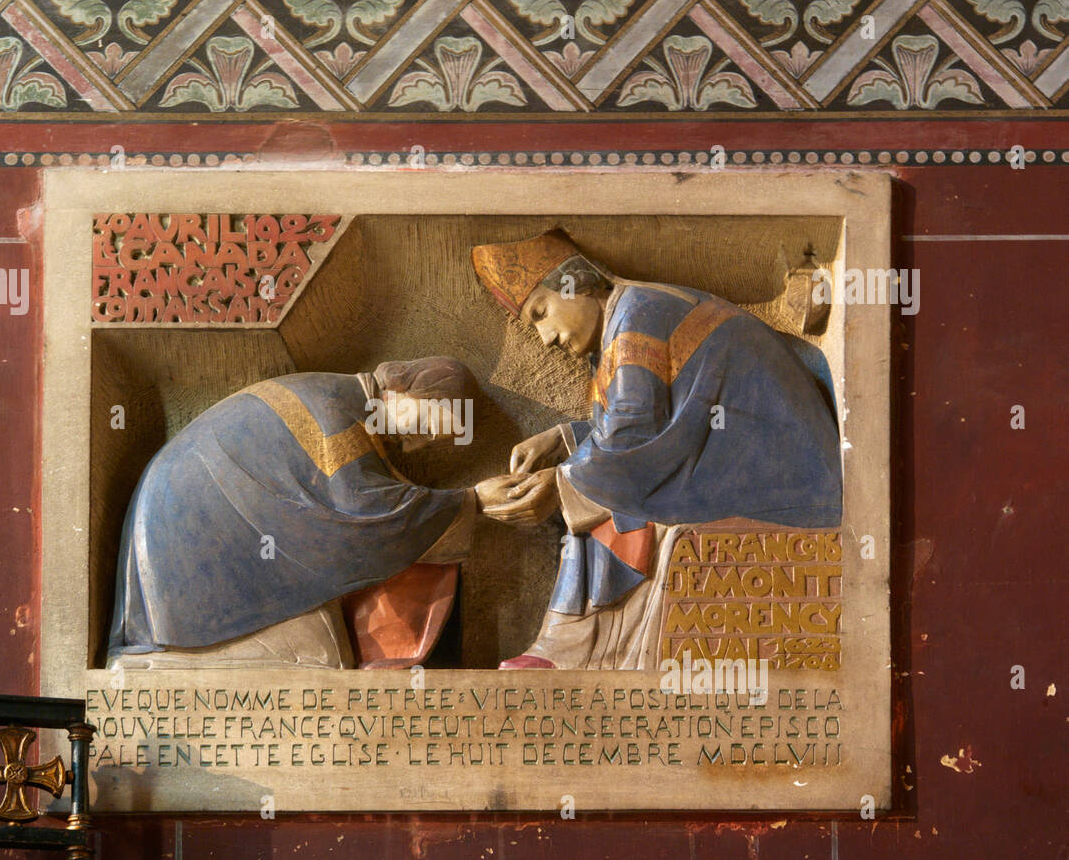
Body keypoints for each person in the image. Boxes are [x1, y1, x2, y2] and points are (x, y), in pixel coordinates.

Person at [471, 228, 843, 670]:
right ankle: (576, 645)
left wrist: (560, 482)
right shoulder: (629, 315)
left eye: (541, 312)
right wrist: (562, 440)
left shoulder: (638, 316)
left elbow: (633, 431)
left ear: (576, 282)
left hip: (781, 473)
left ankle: (570, 647)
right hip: (743, 458)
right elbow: (640, 424)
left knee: (600, 490)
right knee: (594, 481)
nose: (547, 337)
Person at [108, 357, 515, 669]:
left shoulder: (340, 402)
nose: (417, 444)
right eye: (426, 425)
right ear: (398, 389)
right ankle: (180, 649)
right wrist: (471, 501)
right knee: (321, 659)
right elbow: (366, 514)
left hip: (196, 536)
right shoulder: (339, 416)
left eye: (431, 441)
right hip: (193, 544)